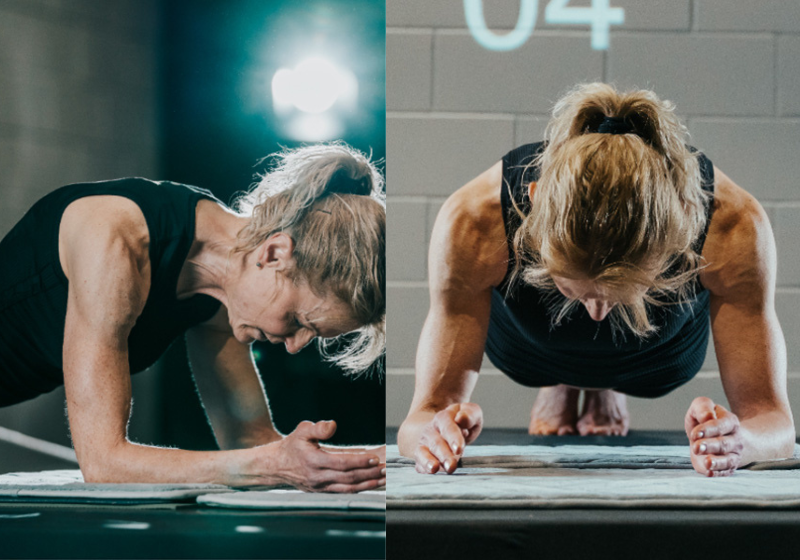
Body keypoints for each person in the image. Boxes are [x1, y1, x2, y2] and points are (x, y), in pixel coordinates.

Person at [398, 83, 795, 478]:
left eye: (622, 295)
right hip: (530, 345)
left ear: (682, 219)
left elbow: (774, 422)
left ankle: (603, 384)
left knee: (629, 344)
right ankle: (564, 382)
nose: (597, 315)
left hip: (657, 354)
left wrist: (739, 440)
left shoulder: (733, 223)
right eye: (573, 289)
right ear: (533, 201)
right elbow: (421, 417)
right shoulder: (473, 220)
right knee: (570, 330)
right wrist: (434, 433)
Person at [0, 142, 386, 492]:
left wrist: (383, 462)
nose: (294, 345)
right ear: (274, 254)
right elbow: (104, 464)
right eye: (301, 321)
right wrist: (273, 465)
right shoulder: (115, 239)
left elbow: (251, 442)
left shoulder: (225, 294)